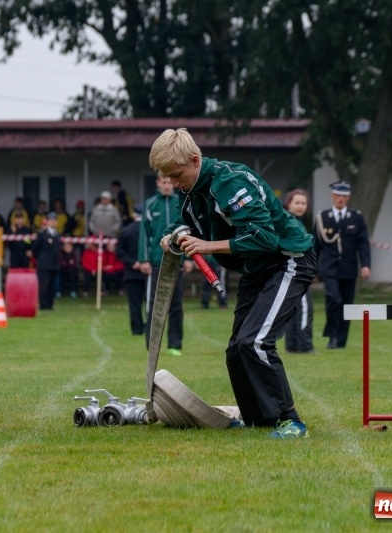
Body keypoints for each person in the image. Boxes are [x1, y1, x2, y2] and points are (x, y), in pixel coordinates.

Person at [151, 128, 315, 439]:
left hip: (287, 259)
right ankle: (257, 421)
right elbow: (185, 221)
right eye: (167, 176)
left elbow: (264, 238)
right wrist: (172, 235)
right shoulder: (190, 189)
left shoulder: (231, 182)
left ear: (195, 160)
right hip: (255, 269)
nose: (173, 183)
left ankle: (291, 421)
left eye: (177, 175)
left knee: (255, 341)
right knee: (237, 350)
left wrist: (207, 246)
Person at [313, 181, 371, 349]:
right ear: (332, 196)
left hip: (348, 267)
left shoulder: (356, 217)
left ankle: (341, 339)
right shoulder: (323, 217)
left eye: (344, 196)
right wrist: (312, 268)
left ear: (348, 197)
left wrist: (365, 264)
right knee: (334, 299)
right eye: (338, 195)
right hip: (329, 267)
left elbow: (363, 244)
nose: (340, 199)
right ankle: (332, 336)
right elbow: (316, 245)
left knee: (347, 304)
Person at [139, 172, 191, 356]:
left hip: (178, 261)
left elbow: (190, 230)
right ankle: (152, 346)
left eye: (170, 182)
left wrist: (189, 258)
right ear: (158, 183)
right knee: (154, 305)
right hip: (156, 262)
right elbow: (144, 234)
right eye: (164, 182)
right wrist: (143, 259)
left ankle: (175, 345)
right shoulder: (150, 204)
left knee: (176, 305)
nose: (167, 185)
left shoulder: (181, 202)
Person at [283, 189, 314, 353]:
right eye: (297, 203)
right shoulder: (291, 223)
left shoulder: (295, 222)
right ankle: (304, 345)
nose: (300, 206)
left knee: (292, 309)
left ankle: (292, 345)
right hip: (297, 271)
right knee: (305, 307)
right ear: (289, 204)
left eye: (303, 203)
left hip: (292, 270)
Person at [116, 205, 146, 335]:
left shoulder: (125, 231)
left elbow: (119, 252)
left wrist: (132, 263)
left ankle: (136, 328)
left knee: (134, 302)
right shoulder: (150, 230)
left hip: (132, 271)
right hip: (149, 271)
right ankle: (150, 327)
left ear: (133, 215)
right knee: (151, 302)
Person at [29, 212, 60, 310]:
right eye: (51, 220)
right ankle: (43, 305)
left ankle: (50, 305)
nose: (53, 222)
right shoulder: (42, 234)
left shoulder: (57, 234)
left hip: (54, 263)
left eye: (55, 220)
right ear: (47, 222)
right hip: (44, 263)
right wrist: (40, 258)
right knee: (44, 286)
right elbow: (35, 248)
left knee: (52, 286)